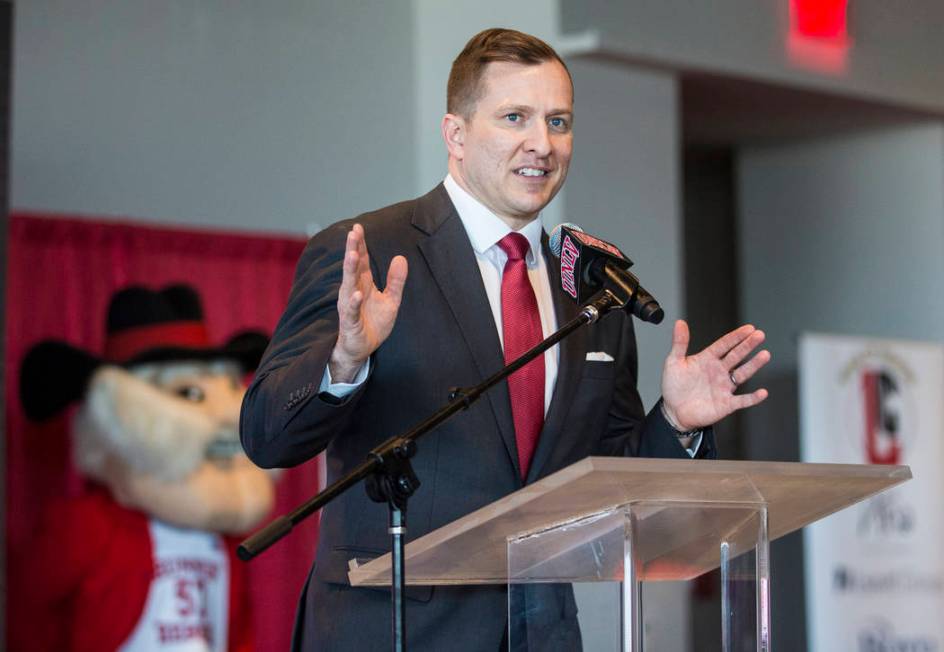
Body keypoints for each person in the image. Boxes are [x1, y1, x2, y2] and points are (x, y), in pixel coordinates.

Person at [240, 27, 770, 651]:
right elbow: (267, 437)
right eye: (514, 117)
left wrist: (677, 423)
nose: (541, 144)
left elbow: (609, 471)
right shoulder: (371, 252)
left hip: (539, 632)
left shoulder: (592, 282)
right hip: (393, 630)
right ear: (456, 134)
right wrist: (345, 359)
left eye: (559, 121)